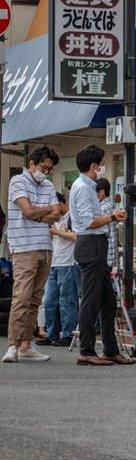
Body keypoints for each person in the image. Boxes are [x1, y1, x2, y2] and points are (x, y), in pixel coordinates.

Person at [69, 145, 133, 367]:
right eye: (100, 163)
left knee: (107, 299)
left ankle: (111, 349)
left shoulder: (89, 186)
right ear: (93, 166)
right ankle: (86, 349)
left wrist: (110, 218)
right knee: (91, 299)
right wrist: (112, 216)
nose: (102, 167)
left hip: (95, 244)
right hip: (90, 243)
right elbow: (88, 222)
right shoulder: (83, 188)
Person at [3, 147, 62, 363]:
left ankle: (26, 344)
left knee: (35, 299)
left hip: (45, 247)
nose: (45, 172)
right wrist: (45, 210)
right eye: (43, 167)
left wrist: (40, 212)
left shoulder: (48, 185)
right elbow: (27, 211)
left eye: (49, 169)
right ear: (32, 164)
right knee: (22, 296)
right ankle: (13, 345)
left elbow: (57, 213)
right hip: (24, 247)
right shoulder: (18, 182)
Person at [40, 193, 78, 347]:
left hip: (67, 263)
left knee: (66, 300)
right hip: (53, 263)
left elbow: (77, 236)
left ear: (62, 203)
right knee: (49, 300)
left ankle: (68, 334)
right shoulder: (55, 219)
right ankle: (51, 334)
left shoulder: (72, 216)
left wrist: (57, 232)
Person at [95, 178, 117, 275]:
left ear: (102, 192)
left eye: (94, 192)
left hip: (105, 254)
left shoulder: (105, 207)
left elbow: (104, 232)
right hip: (107, 254)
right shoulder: (108, 205)